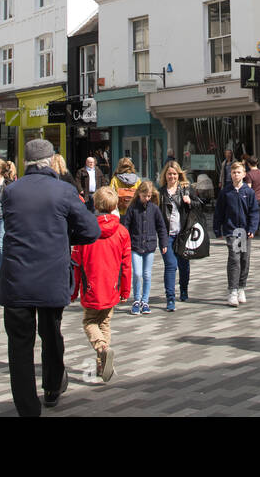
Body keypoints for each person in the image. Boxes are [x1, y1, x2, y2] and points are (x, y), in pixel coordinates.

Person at [0, 139, 100, 416]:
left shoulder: (11, 191)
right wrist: (65, 238)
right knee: (51, 332)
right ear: (50, 160)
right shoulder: (64, 191)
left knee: (19, 345)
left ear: (27, 163)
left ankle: (28, 408)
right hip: (50, 275)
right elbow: (91, 230)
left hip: (17, 277)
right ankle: (53, 387)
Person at [72, 186, 131, 383]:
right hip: (112, 286)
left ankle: (102, 349)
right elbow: (126, 265)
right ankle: (101, 363)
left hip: (91, 286)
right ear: (115, 205)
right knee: (105, 322)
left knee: (89, 322)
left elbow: (76, 263)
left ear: (95, 205)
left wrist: (72, 291)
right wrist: (125, 289)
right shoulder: (122, 232)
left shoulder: (86, 231)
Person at [213, 160, 258, 307]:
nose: (236, 175)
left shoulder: (249, 192)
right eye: (233, 172)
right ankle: (232, 290)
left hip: (244, 230)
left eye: (238, 172)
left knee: (245, 259)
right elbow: (219, 211)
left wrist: (252, 228)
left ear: (244, 174)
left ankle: (241, 287)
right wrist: (217, 228)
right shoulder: (226, 192)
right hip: (231, 230)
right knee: (234, 258)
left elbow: (254, 212)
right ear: (230, 174)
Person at [121, 180, 168, 314]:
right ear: (139, 194)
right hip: (135, 245)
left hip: (150, 245)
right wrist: (124, 242)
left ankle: (145, 301)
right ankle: (136, 299)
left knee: (147, 274)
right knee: (137, 273)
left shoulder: (154, 208)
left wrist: (163, 243)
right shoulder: (133, 208)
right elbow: (126, 226)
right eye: (144, 196)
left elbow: (161, 227)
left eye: (149, 196)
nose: (146, 199)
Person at [157, 160, 198, 307]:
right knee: (171, 265)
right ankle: (170, 298)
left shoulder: (185, 189)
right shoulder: (160, 193)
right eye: (169, 174)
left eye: (174, 174)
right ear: (165, 175)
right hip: (167, 235)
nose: (171, 177)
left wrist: (189, 202)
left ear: (179, 175)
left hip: (183, 234)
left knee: (184, 265)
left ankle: (184, 291)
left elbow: (200, 205)